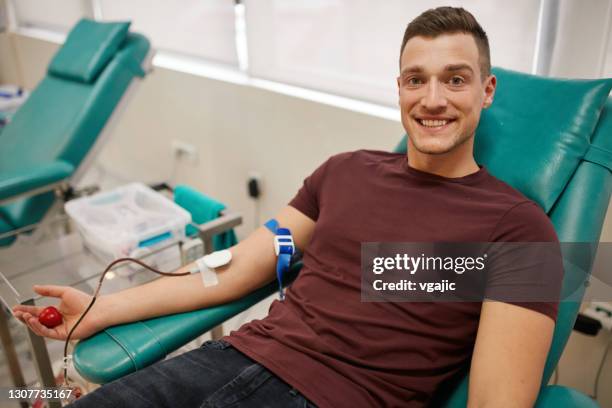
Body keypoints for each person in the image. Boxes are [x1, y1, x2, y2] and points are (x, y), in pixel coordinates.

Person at [12, 7, 562, 407]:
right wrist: (103, 308)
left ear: (486, 91)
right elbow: (230, 272)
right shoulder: (344, 171)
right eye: (416, 80)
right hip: (232, 361)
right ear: (398, 88)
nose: (433, 99)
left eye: (456, 80)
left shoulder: (519, 230)